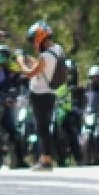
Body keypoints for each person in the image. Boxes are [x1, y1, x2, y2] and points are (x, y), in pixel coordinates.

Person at [16, 21, 63, 171]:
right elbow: (45, 67)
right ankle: (44, 158)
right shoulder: (57, 49)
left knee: (42, 128)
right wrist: (31, 60)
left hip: (40, 95)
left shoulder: (45, 56)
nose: (34, 43)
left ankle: (46, 161)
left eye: (33, 40)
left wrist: (20, 61)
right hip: (50, 93)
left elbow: (30, 73)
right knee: (44, 127)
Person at [0, 44, 25, 165]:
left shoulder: (9, 71)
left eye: (4, 55)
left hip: (4, 103)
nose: (1, 57)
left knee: (13, 130)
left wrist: (10, 98)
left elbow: (14, 86)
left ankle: (20, 160)